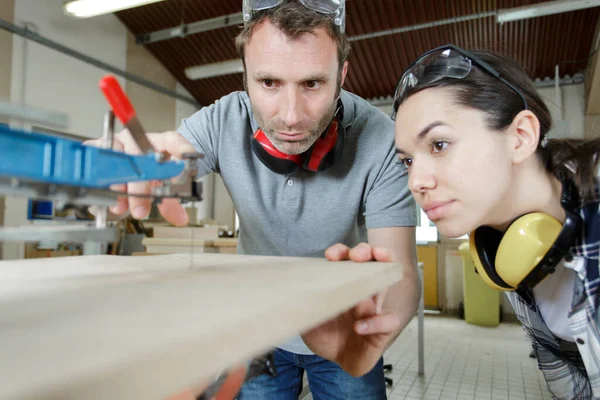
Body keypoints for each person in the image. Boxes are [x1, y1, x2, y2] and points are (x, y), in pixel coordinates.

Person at [87, 0, 420, 398]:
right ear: (244, 77)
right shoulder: (222, 120)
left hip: (346, 326)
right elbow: (175, 153)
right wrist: (124, 166)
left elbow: (399, 272)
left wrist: (369, 338)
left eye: (312, 83)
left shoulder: (383, 139)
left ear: (342, 75)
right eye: (269, 83)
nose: (291, 115)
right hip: (258, 330)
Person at [388, 44, 600, 399]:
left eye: (439, 144)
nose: (416, 182)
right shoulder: (503, 247)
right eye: (407, 161)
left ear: (520, 137)